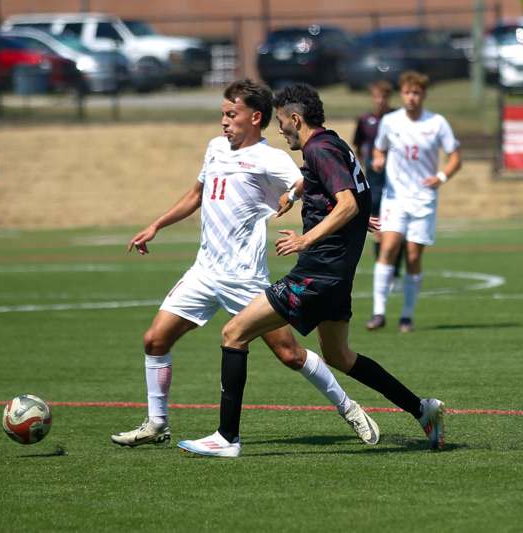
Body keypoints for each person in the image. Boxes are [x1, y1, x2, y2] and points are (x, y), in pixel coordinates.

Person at [177, 84, 445, 458]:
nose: (280, 130)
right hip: (336, 277)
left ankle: (227, 438)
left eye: (283, 122)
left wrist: (307, 239)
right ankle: (422, 409)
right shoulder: (332, 144)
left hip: (316, 274)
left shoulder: (318, 148)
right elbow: (347, 190)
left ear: (296, 119)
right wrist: (296, 195)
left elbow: (348, 203)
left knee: (234, 333)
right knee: (339, 356)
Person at [111, 79, 380, 448]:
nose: (223, 121)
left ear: (255, 118)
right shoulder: (215, 149)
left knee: (289, 353)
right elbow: (196, 195)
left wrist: (355, 214)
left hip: (245, 277)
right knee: (155, 340)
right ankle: (157, 423)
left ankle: (349, 408)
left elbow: (317, 186)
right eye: (222, 114)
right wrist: (156, 225)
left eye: (230, 114)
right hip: (204, 271)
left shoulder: (273, 158)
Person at [370, 71, 462, 333]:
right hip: (395, 197)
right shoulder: (390, 121)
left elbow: (456, 157)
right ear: (402, 94)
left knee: (412, 255)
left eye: (417, 93)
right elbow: (379, 148)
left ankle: (406, 316)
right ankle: (378, 313)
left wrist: (441, 176)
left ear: (423, 95)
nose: (411, 98)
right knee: (388, 247)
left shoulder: (437, 123)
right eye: (408, 93)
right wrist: (378, 158)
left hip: (423, 199)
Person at [352, 81, 404, 331]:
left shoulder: (397, 118)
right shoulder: (365, 121)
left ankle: (394, 271)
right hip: (373, 179)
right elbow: (358, 144)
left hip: (396, 180)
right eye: (376, 96)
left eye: (384, 96)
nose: (380, 101)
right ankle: (386, 268)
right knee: (377, 228)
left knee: (397, 229)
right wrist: (367, 165)